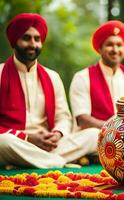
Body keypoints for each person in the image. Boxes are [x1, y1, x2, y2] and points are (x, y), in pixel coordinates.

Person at [0, 13, 97, 168]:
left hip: (49, 144)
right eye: (26, 38)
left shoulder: (52, 77)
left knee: (93, 135)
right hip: (16, 141)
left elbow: (63, 117)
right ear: (14, 41)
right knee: (2, 142)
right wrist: (27, 138)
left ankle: (30, 161)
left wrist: (57, 134)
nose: (33, 44)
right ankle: (58, 162)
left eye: (37, 39)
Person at [69, 20, 124, 130]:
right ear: (100, 49)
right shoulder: (83, 77)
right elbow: (83, 119)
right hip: (93, 138)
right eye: (110, 45)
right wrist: (114, 129)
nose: (115, 50)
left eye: (119, 45)